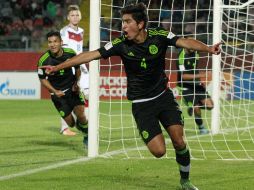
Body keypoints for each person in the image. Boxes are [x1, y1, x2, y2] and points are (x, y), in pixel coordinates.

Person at [40, 3, 221, 190]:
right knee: (159, 151)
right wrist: (59, 66)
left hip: (163, 97)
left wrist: (208, 48)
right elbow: (91, 55)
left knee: (179, 140)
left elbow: (184, 41)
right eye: (122, 22)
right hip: (141, 104)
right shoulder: (120, 44)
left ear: (141, 24)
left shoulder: (159, 35)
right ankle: (147, 129)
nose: (123, 26)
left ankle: (185, 181)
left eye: (127, 22)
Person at [37, 31, 88, 146]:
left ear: (61, 42)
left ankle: (87, 135)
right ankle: (80, 127)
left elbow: (78, 68)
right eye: (50, 42)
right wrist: (54, 91)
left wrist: (76, 82)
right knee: (71, 124)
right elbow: (42, 79)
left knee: (81, 115)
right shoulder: (43, 60)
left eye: (55, 41)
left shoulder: (70, 53)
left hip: (72, 90)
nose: (52, 44)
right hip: (57, 95)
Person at [59, 4, 89, 136]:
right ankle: (65, 128)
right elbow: (64, 51)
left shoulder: (81, 31)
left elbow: (79, 49)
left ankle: (85, 122)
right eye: (72, 15)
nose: (75, 17)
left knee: (88, 93)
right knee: (69, 97)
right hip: (70, 66)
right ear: (68, 17)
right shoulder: (64, 31)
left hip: (81, 65)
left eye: (77, 15)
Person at [176, 37, 213, 135]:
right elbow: (183, 76)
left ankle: (192, 107)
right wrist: (201, 75)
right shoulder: (181, 57)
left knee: (210, 106)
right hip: (185, 86)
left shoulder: (196, 53)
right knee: (196, 108)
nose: (193, 47)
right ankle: (202, 128)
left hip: (196, 85)